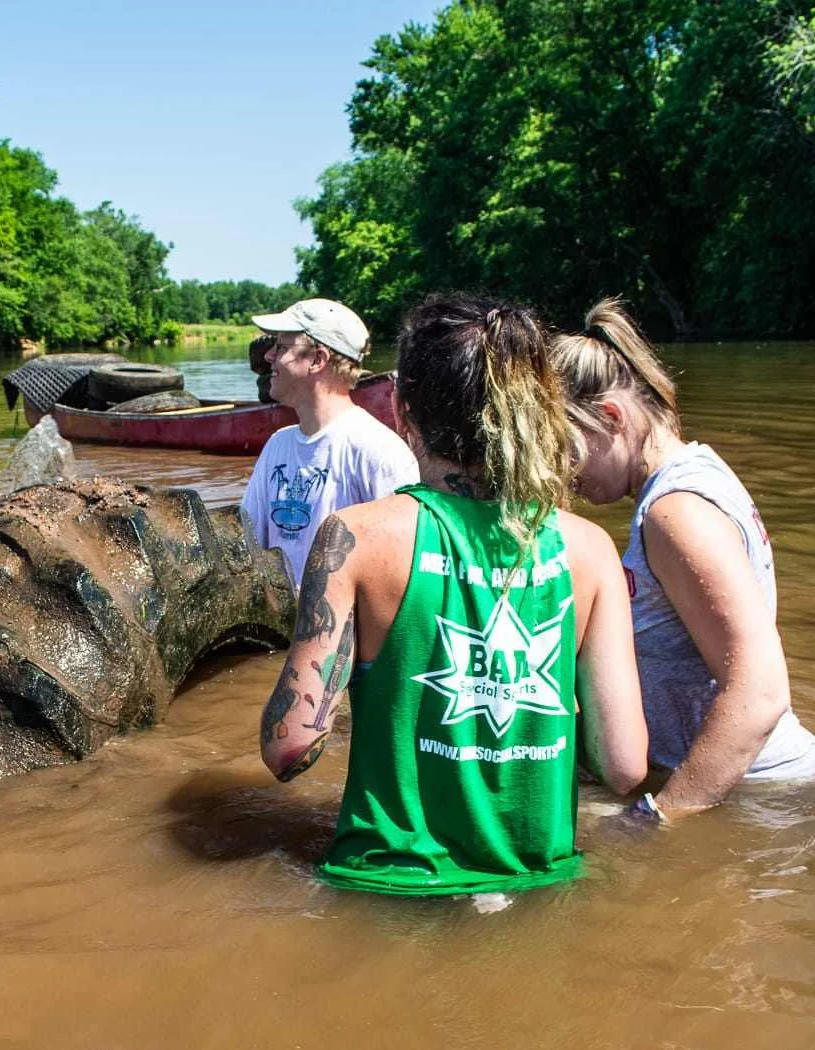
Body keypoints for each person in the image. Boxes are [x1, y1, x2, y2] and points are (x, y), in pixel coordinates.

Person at [259, 293, 648, 897]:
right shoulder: (590, 549)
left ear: (401, 409)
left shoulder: (357, 538)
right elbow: (624, 767)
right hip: (535, 885)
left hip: (386, 886)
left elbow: (291, 748)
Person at [549, 297, 815, 822]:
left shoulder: (676, 511)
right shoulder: (690, 481)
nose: (564, 474)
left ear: (612, 418)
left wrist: (660, 819)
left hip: (759, 799)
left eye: (565, 449)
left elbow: (761, 689)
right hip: (746, 791)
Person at [240, 298, 418, 590]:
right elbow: (248, 543)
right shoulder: (277, 446)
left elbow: (404, 571)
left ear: (317, 360)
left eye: (282, 347)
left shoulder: (379, 452)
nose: (269, 356)